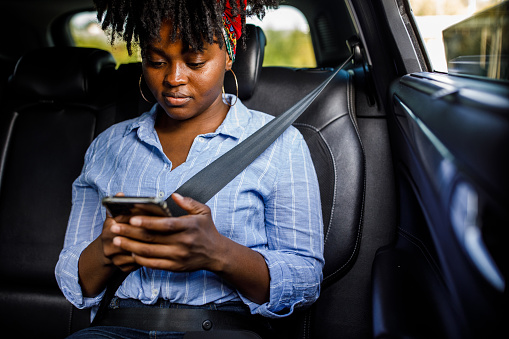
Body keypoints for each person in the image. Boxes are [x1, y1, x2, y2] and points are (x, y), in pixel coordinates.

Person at [55, 0, 324, 337]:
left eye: (195, 61)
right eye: (156, 61)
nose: (173, 78)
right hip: (116, 327)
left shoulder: (280, 144)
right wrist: (108, 249)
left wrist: (218, 254)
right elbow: (74, 279)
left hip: (221, 330)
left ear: (228, 56)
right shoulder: (108, 146)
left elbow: (305, 279)